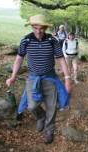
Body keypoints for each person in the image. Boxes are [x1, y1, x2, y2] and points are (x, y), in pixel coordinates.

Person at [6, 14, 72, 144]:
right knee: (32, 106)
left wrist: (67, 78)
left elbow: (60, 59)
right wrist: (13, 76)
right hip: (33, 78)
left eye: (41, 28)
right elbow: (19, 58)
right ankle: (40, 117)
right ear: (32, 27)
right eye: (35, 27)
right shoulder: (26, 41)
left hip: (50, 78)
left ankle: (49, 130)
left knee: (51, 107)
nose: (38, 31)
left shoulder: (52, 40)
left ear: (45, 28)